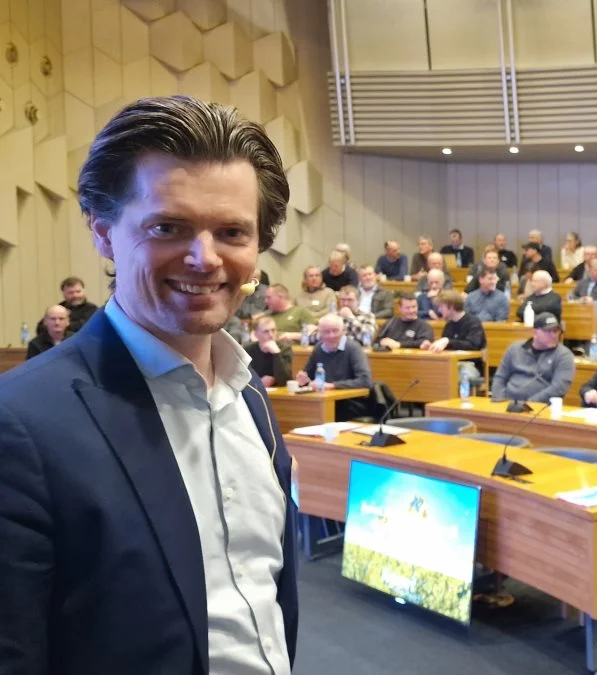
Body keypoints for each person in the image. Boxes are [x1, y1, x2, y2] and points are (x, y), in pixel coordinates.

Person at [0, 97, 300, 674]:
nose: (204, 258)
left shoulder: (250, 396)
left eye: (232, 231)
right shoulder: (20, 427)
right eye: (168, 226)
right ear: (105, 233)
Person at [297, 314, 374, 418]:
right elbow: (309, 377)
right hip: (325, 401)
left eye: (335, 331)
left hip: (350, 403)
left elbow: (365, 381)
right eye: (326, 332)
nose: (331, 335)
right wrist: (304, 380)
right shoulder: (319, 348)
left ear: (344, 331)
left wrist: (332, 386)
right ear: (319, 333)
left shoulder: (353, 348)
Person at [491, 312, 575, 403]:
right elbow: (500, 377)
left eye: (555, 331)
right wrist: (499, 399)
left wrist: (529, 403)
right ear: (535, 332)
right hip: (507, 403)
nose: (553, 335)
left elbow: (559, 388)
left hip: (539, 408)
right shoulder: (515, 349)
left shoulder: (564, 355)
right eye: (548, 331)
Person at [244, 316, 292, 387]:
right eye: (266, 331)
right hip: (256, 389)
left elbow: (284, 381)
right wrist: (258, 382)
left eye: (273, 330)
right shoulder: (248, 350)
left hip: (278, 392)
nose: (271, 335)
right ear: (256, 334)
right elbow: (242, 378)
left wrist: (276, 353)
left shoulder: (285, 349)